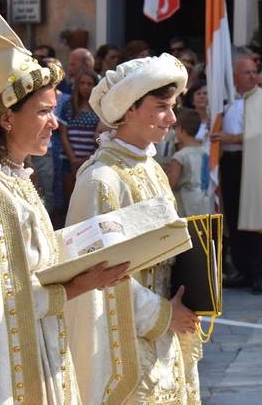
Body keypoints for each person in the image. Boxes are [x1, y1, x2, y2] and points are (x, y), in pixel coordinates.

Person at [0, 16, 128, 404]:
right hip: (15, 368)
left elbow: (29, 271)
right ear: (6, 118)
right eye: (42, 112)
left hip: (42, 348)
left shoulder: (16, 181)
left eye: (54, 110)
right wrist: (81, 284)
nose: (55, 122)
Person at [65, 53, 201, 404]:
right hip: (121, 351)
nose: (172, 118)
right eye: (161, 107)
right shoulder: (101, 180)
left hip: (163, 339)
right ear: (129, 110)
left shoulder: (153, 168)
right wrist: (164, 314)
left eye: (172, 107)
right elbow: (95, 275)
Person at [213, 55, 262, 294]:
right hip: (231, 163)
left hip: (254, 163)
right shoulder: (227, 100)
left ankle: (259, 273)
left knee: (256, 217)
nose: (253, 76)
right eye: (247, 73)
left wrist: (230, 138)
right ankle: (242, 270)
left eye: (254, 71)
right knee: (234, 219)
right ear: (235, 76)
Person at [58, 69, 101, 204]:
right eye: (82, 83)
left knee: (87, 201)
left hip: (91, 160)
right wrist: (73, 160)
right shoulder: (69, 106)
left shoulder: (100, 108)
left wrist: (85, 160)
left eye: (90, 84)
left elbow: (101, 136)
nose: (85, 87)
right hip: (69, 161)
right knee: (70, 200)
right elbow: (63, 135)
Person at [167, 108, 211, 216]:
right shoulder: (206, 151)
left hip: (186, 203)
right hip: (205, 200)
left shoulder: (180, 156)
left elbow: (172, 183)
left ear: (181, 129)